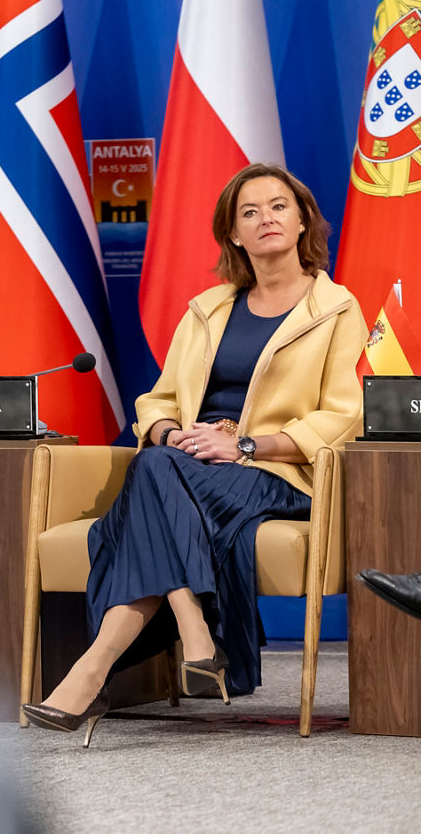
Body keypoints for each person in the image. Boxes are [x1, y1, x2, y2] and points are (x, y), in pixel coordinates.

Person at [22, 164, 366, 746]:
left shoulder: (336, 309)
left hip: (279, 471)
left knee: (149, 481)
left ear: (302, 218)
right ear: (233, 234)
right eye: (249, 213)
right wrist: (168, 433)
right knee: (157, 464)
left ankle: (106, 663)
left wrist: (245, 444)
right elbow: (156, 399)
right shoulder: (207, 310)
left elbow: (344, 414)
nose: (266, 220)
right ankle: (189, 633)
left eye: (278, 207)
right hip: (189, 464)